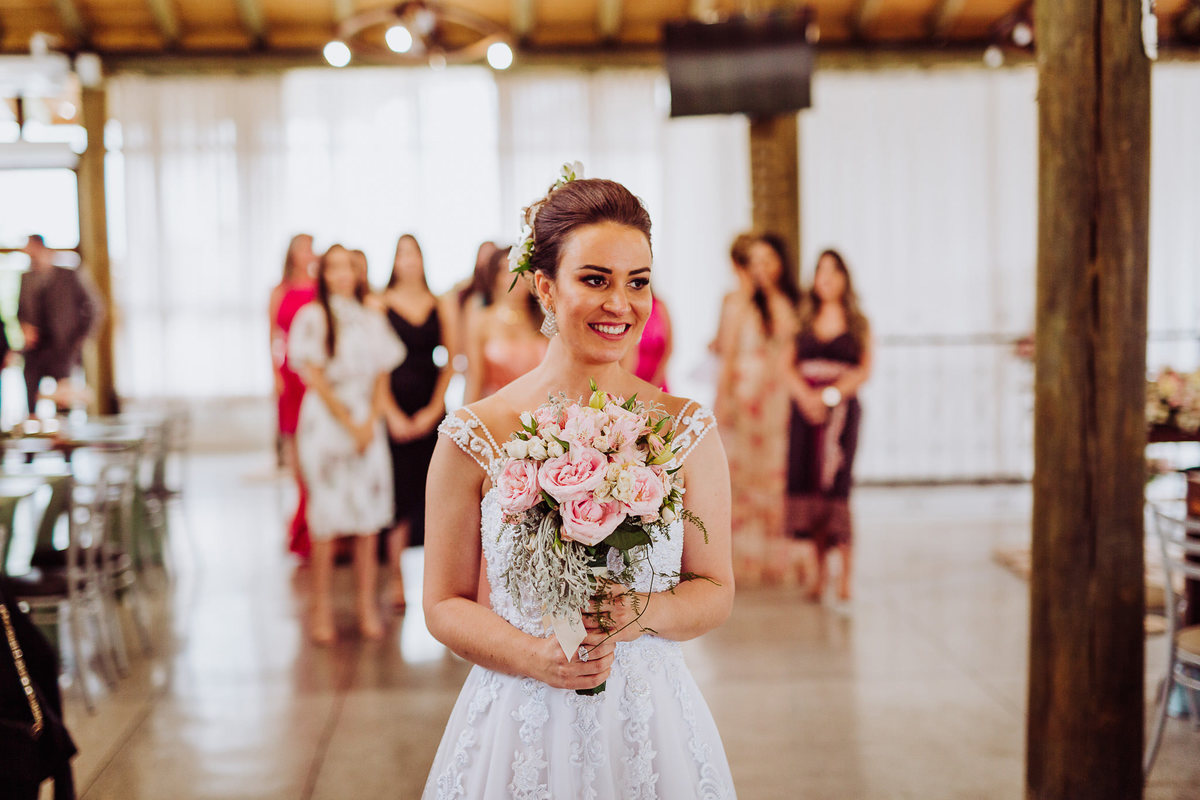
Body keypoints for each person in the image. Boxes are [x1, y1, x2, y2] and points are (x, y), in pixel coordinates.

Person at [423, 176, 736, 797]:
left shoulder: (685, 429)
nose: (621, 303)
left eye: (637, 281)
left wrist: (644, 612)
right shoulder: (474, 434)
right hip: (519, 720)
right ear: (545, 286)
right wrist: (531, 656)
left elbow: (716, 589)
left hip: (648, 724)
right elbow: (442, 603)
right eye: (595, 279)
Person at [288, 245, 406, 644]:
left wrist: (371, 421)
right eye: (333, 267)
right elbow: (315, 377)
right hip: (327, 419)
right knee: (327, 519)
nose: (341, 274)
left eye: (347, 267)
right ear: (323, 274)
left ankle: (365, 606)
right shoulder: (313, 317)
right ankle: (321, 610)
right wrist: (347, 421)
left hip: (366, 423)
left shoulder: (370, 318)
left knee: (369, 518)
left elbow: (382, 375)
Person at [786, 248, 872, 604]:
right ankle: (819, 574)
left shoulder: (857, 322)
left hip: (841, 414)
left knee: (837, 486)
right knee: (809, 488)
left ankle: (846, 577)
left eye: (834, 271)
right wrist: (807, 399)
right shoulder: (803, 319)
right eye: (821, 270)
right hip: (804, 413)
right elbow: (787, 365)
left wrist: (831, 396)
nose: (827, 277)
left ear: (844, 278)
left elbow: (864, 369)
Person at [714, 232, 801, 586]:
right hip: (743, 394)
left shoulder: (789, 302)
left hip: (778, 396)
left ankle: (777, 559)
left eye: (769, 260)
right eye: (756, 261)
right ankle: (743, 560)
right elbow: (727, 353)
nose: (763, 268)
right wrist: (723, 398)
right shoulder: (738, 302)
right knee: (742, 477)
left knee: (776, 475)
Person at [379, 234, 452, 611]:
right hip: (393, 408)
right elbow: (373, 366)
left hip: (430, 407)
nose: (408, 261)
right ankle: (394, 579)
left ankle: (436, 582)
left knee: (436, 496)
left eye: (414, 254)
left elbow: (450, 360)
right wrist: (390, 413)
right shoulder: (380, 303)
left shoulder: (439, 304)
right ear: (394, 261)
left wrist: (434, 409)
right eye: (401, 255)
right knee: (397, 498)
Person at [270, 234, 317, 558]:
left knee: (314, 442)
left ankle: (315, 517)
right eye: (302, 247)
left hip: (312, 374)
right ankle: (301, 515)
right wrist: (274, 373)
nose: (307, 254)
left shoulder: (318, 288)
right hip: (289, 375)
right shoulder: (279, 290)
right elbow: (271, 334)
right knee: (294, 444)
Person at [17, 235, 99, 417]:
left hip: (63, 348)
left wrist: (80, 339)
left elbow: (95, 308)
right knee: (31, 402)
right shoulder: (26, 277)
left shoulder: (69, 276)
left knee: (64, 402)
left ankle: (65, 441)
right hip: (35, 350)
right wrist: (25, 327)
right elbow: (20, 311)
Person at [462, 246, 547, 403]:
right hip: (494, 413)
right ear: (495, 277)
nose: (515, 277)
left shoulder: (544, 322)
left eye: (522, 271)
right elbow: (474, 381)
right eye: (507, 271)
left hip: (539, 415)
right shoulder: (482, 321)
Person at [624, 293, 672, 390]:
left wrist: (656, 380)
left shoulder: (659, 306)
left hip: (657, 377)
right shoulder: (626, 307)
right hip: (631, 376)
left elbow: (669, 347)